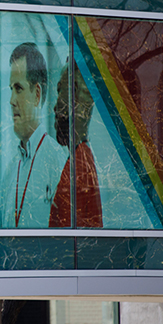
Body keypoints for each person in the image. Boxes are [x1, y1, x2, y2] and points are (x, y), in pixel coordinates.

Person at [1, 43, 67, 228]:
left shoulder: (58, 162)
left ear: (37, 94)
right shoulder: (11, 170)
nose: (11, 100)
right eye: (11, 89)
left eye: (19, 88)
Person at [49, 64, 102, 227]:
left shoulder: (77, 168)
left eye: (60, 91)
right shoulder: (81, 160)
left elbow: (67, 244)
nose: (55, 107)